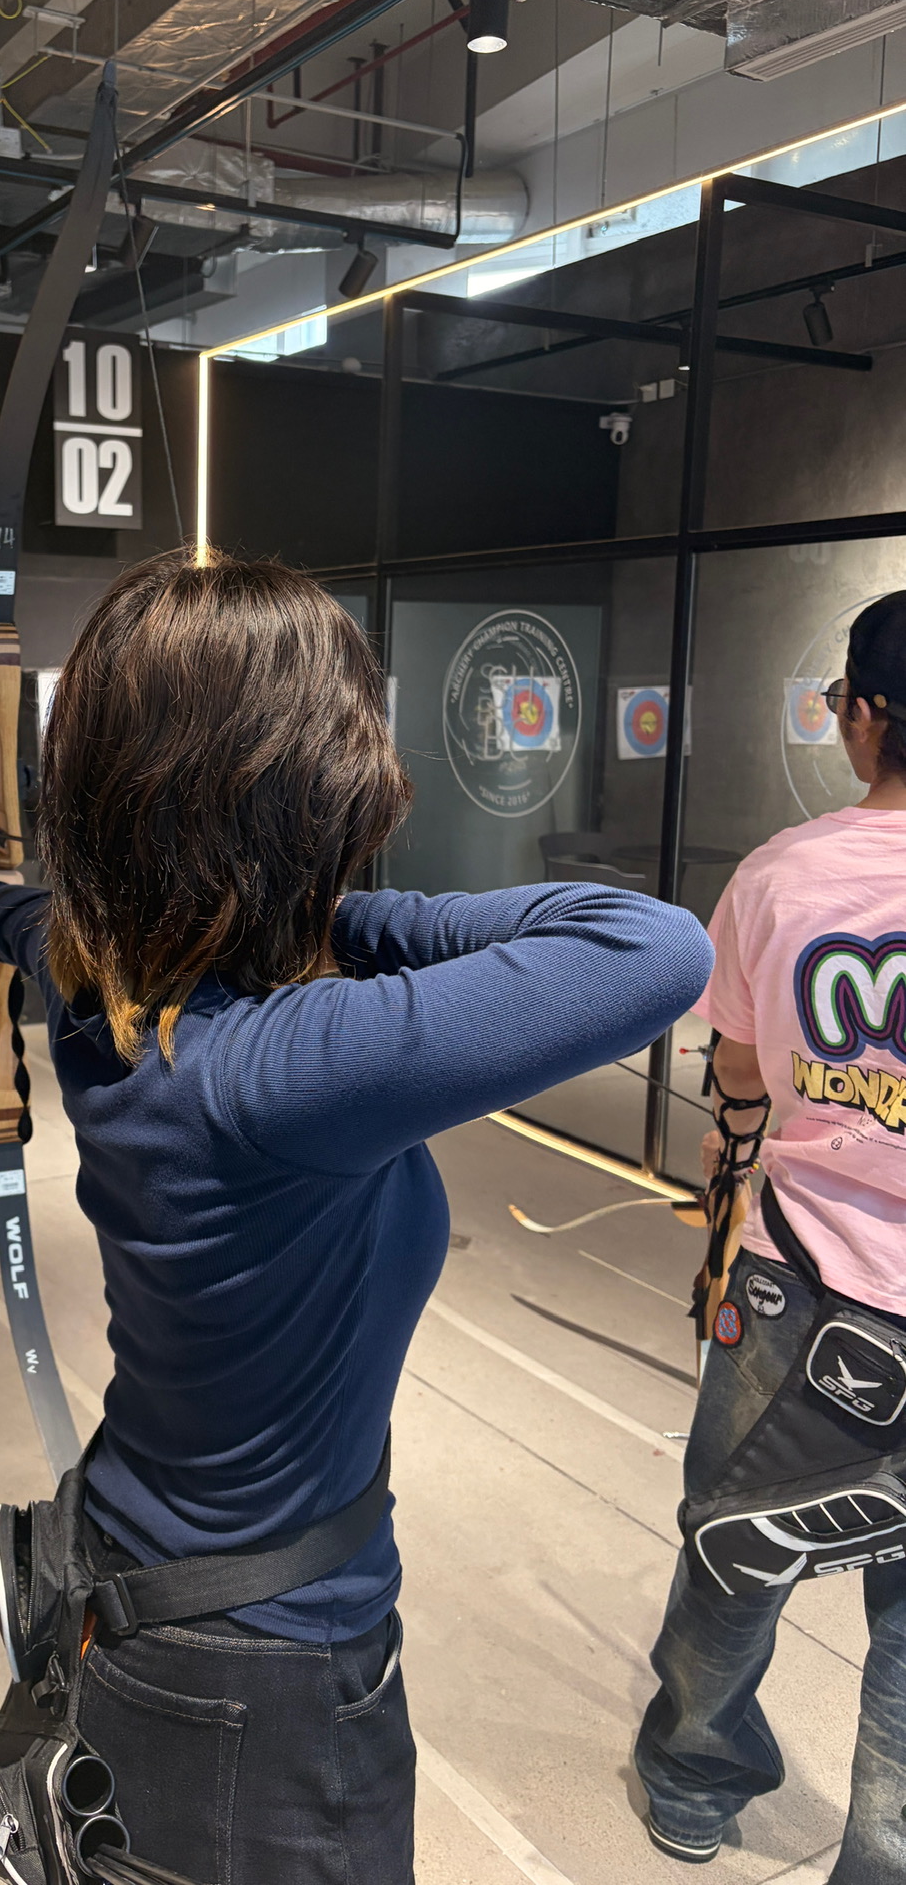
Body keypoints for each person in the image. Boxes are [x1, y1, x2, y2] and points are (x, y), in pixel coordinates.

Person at [0, 548, 712, 1884]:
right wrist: (339, 910)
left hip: (145, 1580)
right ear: (309, 794)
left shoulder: (102, 977)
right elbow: (653, 947)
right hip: (262, 1676)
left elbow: (21, 917)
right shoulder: (286, 1068)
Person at [636, 590, 906, 1880]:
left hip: (806, 1277)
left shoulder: (784, 876)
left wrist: (735, 1158)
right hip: (816, 1273)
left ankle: (695, 1782)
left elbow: (740, 1072)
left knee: (738, 1539)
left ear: (867, 716)